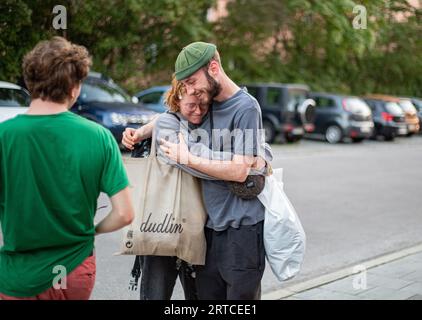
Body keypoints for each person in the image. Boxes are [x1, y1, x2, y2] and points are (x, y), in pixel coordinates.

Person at [0, 37, 134, 300]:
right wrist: (91, 231)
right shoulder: (99, 136)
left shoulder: (5, 135)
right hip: (73, 271)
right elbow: (125, 214)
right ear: (74, 88)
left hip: (17, 275)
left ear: (29, 83)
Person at [162, 42, 268, 300]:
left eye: (191, 81)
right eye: (185, 85)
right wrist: (143, 130)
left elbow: (240, 171)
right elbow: (171, 115)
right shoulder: (204, 104)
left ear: (213, 68)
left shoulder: (246, 107)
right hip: (208, 229)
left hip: (242, 230)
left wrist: (187, 158)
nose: (190, 90)